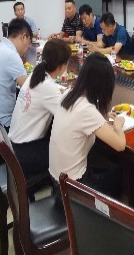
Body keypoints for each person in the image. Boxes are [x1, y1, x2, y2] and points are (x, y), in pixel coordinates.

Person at [49, 52, 127, 195]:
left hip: (56, 179)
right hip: (72, 188)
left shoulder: (69, 94)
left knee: (103, 161)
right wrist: (117, 126)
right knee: (117, 172)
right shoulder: (87, 110)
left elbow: (85, 117)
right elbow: (120, 145)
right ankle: (104, 209)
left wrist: (102, 115)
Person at [9, 39, 71, 176]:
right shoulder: (47, 86)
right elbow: (68, 116)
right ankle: (61, 185)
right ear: (61, 66)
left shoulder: (36, 75)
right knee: (69, 149)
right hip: (26, 153)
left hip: (14, 147)